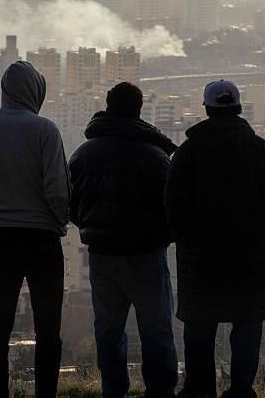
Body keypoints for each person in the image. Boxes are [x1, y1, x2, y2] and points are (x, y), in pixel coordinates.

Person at [166, 80, 265, 398]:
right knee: (247, 322)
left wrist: (183, 237)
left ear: (206, 109)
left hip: (200, 257)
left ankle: (198, 389)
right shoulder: (260, 150)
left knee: (199, 324)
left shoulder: (189, 152)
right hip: (250, 258)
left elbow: (173, 202)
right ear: (238, 107)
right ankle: (241, 389)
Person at [69, 82, 179, 398]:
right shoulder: (156, 156)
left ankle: (113, 390)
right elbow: (174, 208)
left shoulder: (83, 155)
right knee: (156, 330)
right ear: (139, 109)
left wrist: (92, 229)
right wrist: (163, 237)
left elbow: (70, 205)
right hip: (146, 254)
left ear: (108, 106)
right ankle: (160, 391)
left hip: (102, 256)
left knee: (108, 330)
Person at [0, 61, 70, 398]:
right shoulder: (45, 130)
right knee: (47, 327)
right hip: (41, 238)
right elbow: (57, 189)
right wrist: (60, 223)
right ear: (35, 91)